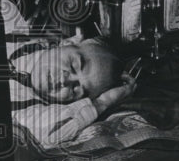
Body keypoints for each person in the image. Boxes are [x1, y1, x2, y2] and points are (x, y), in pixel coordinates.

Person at [9, 36, 137, 149]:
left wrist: (102, 102)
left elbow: (52, 135)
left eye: (75, 89)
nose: (65, 80)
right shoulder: (18, 36)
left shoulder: (30, 113)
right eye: (73, 65)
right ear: (67, 42)